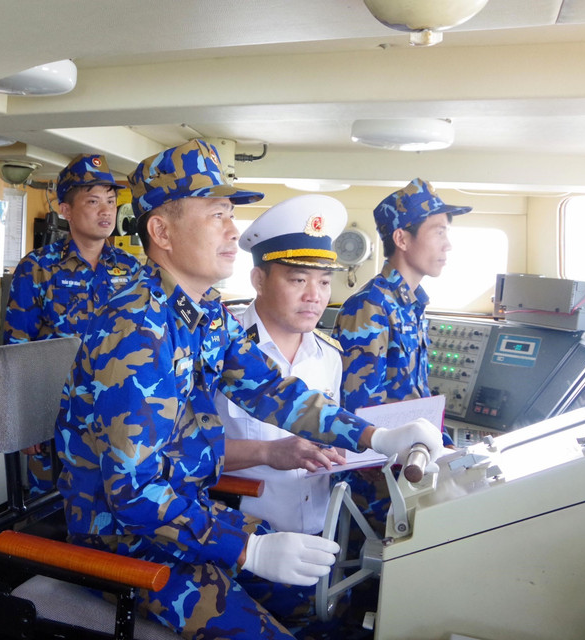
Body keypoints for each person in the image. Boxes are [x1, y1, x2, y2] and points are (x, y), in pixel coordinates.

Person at [55, 140, 443, 640]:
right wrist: (248, 548)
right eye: (216, 214)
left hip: (183, 514)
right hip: (128, 540)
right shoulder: (134, 328)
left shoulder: (203, 311)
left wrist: (374, 438)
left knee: (316, 592)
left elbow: (274, 392)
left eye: (231, 214)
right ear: (161, 230)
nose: (232, 230)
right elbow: (134, 494)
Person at [331, 178, 470, 526]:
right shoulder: (370, 307)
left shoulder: (411, 305)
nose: (448, 245)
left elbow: (412, 396)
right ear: (402, 239)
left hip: (414, 456)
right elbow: (357, 410)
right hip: (381, 475)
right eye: (438, 231)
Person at [3, 153, 140, 496]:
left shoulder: (132, 269)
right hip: (55, 417)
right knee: (51, 517)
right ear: (65, 209)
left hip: (118, 416)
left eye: (111, 201)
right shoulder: (38, 266)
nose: (106, 211)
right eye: (93, 201)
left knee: (117, 509)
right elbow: (16, 346)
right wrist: (24, 423)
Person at [215, 194, 349, 535]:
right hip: (241, 536)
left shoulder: (329, 356)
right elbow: (182, 451)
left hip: (319, 531)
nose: (314, 295)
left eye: (323, 281)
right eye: (298, 280)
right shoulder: (217, 351)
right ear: (258, 280)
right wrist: (268, 452)